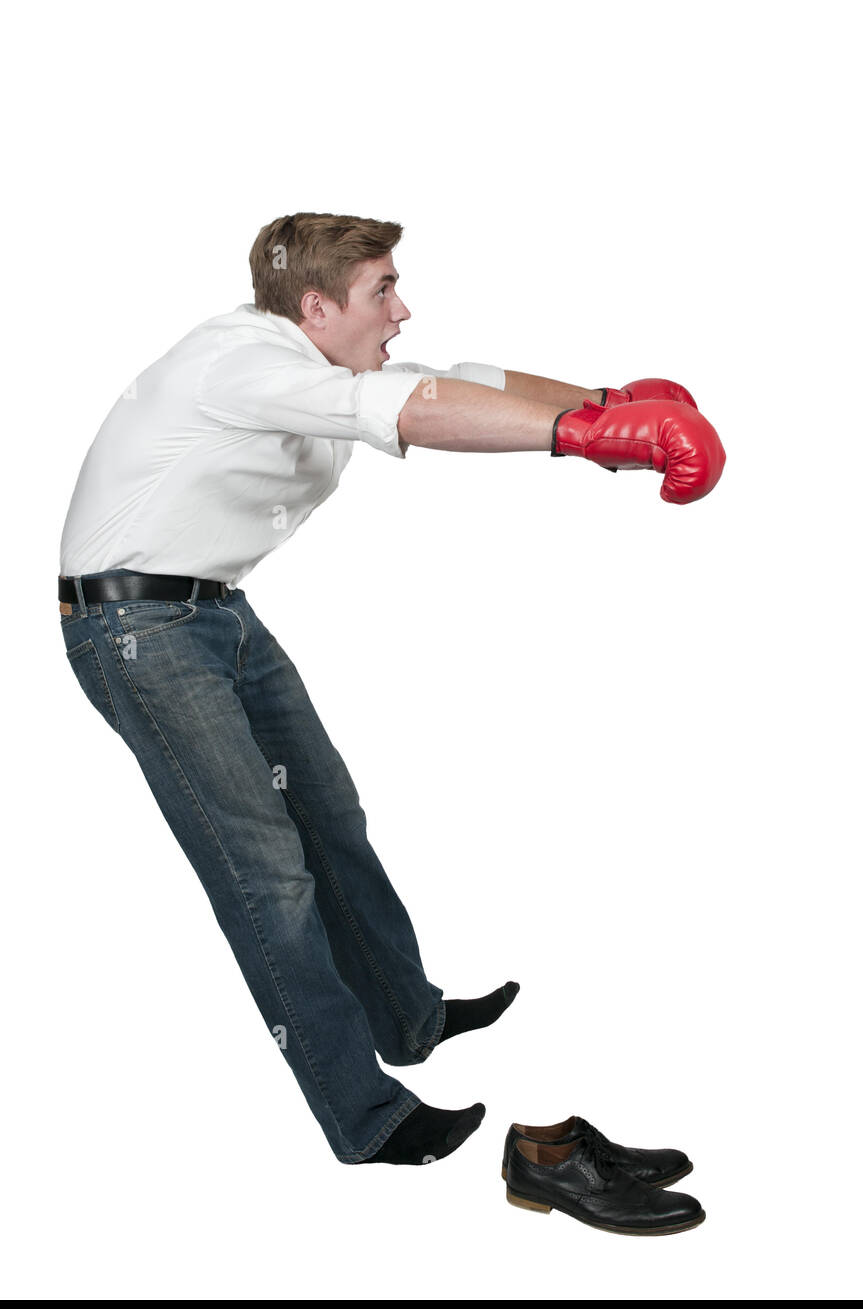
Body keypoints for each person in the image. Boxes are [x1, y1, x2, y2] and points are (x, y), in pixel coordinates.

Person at [58, 212, 724, 1168]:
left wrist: (605, 399)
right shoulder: (242, 363)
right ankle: (366, 1117)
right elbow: (413, 414)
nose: (402, 309)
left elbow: (457, 385)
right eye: (383, 291)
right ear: (316, 306)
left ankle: (405, 1016)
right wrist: (580, 436)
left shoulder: (322, 364)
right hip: (137, 633)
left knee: (331, 816)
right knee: (265, 874)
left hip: (214, 615)